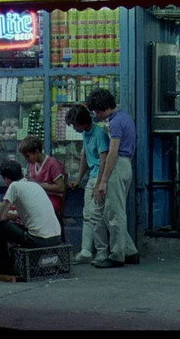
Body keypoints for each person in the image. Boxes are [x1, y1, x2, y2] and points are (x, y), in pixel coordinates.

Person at [84, 88, 140, 268]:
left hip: (117, 165)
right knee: (114, 210)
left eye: (98, 111)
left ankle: (117, 255)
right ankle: (129, 251)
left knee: (114, 214)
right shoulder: (125, 118)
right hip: (126, 164)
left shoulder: (115, 123)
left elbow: (113, 152)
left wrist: (103, 180)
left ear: (105, 108)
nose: (97, 115)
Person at [0, 159, 63, 276]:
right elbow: (31, 211)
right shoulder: (34, 185)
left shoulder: (14, 186)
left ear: (6, 179)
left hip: (38, 240)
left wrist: (8, 216)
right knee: (13, 225)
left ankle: (4, 268)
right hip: (56, 237)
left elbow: (0, 217)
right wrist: (12, 216)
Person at [65, 104, 109, 265]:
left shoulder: (99, 133)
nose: (74, 128)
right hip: (92, 177)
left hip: (99, 177)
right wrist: (78, 179)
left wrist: (99, 184)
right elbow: (84, 157)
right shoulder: (86, 134)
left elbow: (104, 159)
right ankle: (86, 251)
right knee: (88, 215)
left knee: (96, 216)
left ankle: (102, 252)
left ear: (83, 122)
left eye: (75, 125)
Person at [19, 135, 67, 216]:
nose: (26, 159)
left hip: (52, 198)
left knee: (30, 208)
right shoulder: (32, 165)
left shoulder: (53, 164)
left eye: (27, 156)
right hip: (38, 197)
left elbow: (61, 187)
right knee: (19, 205)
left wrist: (38, 184)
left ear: (37, 152)